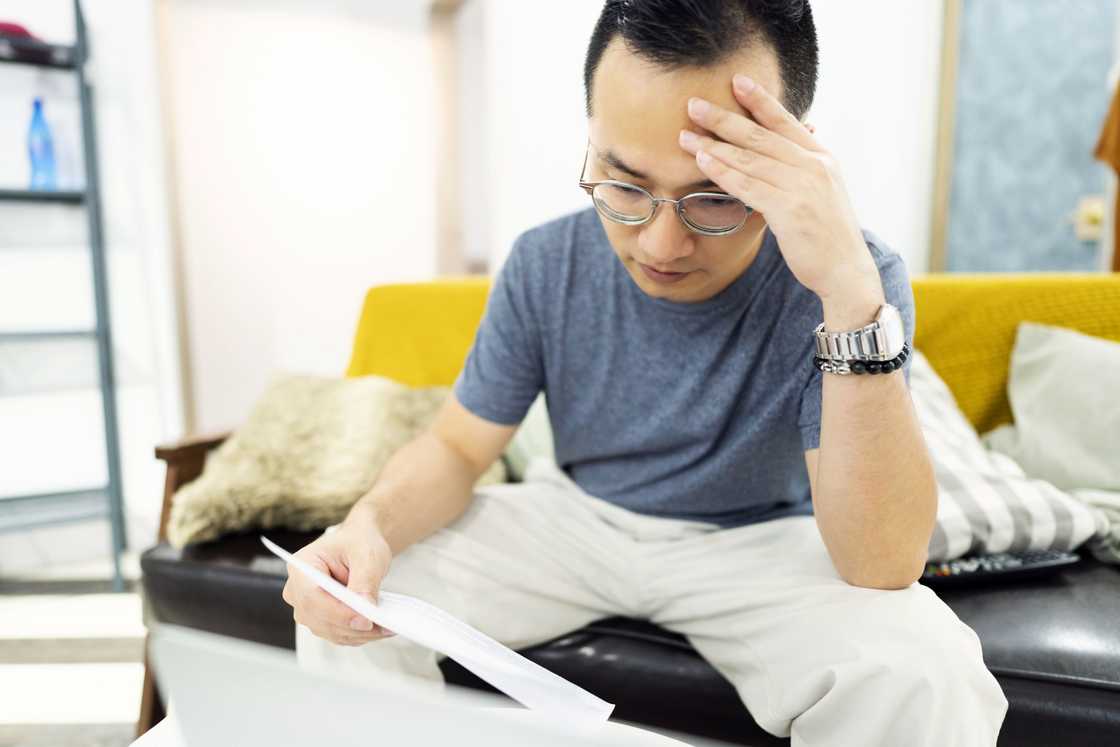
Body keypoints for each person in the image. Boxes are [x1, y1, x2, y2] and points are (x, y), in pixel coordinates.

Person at [285, 1, 1009, 744]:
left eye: (717, 196)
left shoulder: (854, 278)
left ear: (792, 162)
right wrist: (366, 524)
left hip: (759, 542)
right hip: (574, 519)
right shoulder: (545, 262)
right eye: (625, 186)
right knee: (350, 600)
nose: (661, 243)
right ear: (593, 142)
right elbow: (457, 447)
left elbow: (882, 562)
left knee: (926, 671)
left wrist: (850, 297)